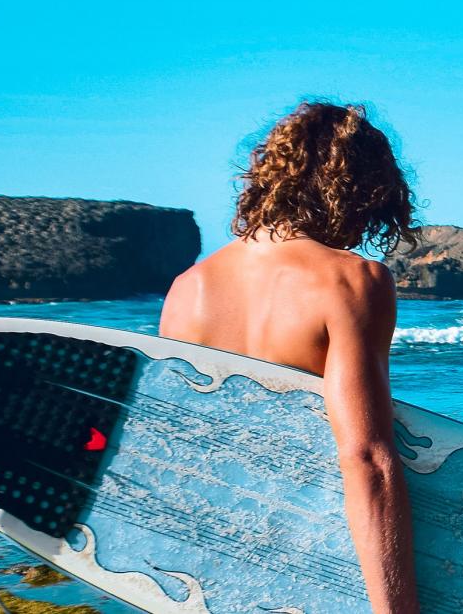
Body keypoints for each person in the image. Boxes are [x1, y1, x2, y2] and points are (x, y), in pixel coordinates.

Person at [159, 101, 421, 613]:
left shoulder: (186, 290)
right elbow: (365, 457)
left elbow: (187, 458)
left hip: (216, 572)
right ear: (357, 190)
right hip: (318, 551)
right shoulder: (351, 280)